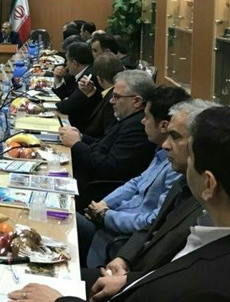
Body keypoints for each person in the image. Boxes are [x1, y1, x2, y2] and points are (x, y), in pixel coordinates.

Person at [7, 105, 230, 302]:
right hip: (125, 289)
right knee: (22, 269)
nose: (168, 147)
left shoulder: (217, 292)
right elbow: (165, 259)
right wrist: (128, 280)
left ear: (208, 184)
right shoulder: (201, 212)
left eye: (191, 158)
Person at [77, 86, 190, 266]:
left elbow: (153, 221)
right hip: (111, 219)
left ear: (163, 126)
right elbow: (137, 182)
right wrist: (105, 204)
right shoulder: (161, 152)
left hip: (119, 240)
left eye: (146, 117)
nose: (142, 121)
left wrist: (107, 216)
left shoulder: (176, 168)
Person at [60, 70, 157, 198]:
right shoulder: (128, 118)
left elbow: (107, 167)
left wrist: (76, 144)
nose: (111, 101)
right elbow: (103, 145)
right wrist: (81, 137)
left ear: (137, 101)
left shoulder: (138, 127)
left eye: (116, 96)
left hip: (92, 189)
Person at [76, 54, 125, 139]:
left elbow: (104, 135)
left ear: (99, 79)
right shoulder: (112, 94)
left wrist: (79, 137)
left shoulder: (113, 99)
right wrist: (91, 92)